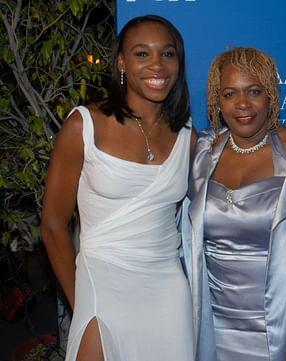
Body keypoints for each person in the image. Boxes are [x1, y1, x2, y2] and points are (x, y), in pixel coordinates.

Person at [180, 47, 286, 361]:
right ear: (217, 101)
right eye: (230, 93)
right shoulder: (204, 153)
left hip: (282, 337)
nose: (242, 105)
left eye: (254, 91)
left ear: (271, 94)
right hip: (210, 335)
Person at [41, 15, 195, 361]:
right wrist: (80, 301)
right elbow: (52, 225)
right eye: (143, 54)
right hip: (101, 280)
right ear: (122, 62)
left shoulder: (187, 134)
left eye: (167, 54)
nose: (157, 65)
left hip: (167, 289)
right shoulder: (85, 125)